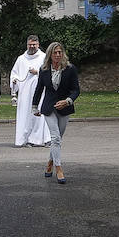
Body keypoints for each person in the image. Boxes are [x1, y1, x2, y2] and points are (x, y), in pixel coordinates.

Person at [31, 41, 80, 184]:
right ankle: (59, 168)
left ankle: (50, 162)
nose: (58, 55)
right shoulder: (44, 69)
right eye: (55, 52)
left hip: (65, 108)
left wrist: (68, 101)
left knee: (57, 139)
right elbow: (39, 88)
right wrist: (34, 107)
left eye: (60, 52)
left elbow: (76, 90)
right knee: (55, 138)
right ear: (50, 54)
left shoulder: (70, 69)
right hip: (49, 108)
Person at [10, 35, 50, 147]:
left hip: (40, 92)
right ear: (27, 45)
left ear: (38, 44)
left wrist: (37, 72)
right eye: (30, 44)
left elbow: (49, 72)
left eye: (34, 44)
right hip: (25, 93)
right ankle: (26, 139)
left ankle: (40, 139)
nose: (32, 46)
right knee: (26, 115)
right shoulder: (21, 59)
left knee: (39, 114)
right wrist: (14, 81)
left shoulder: (44, 57)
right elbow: (14, 73)